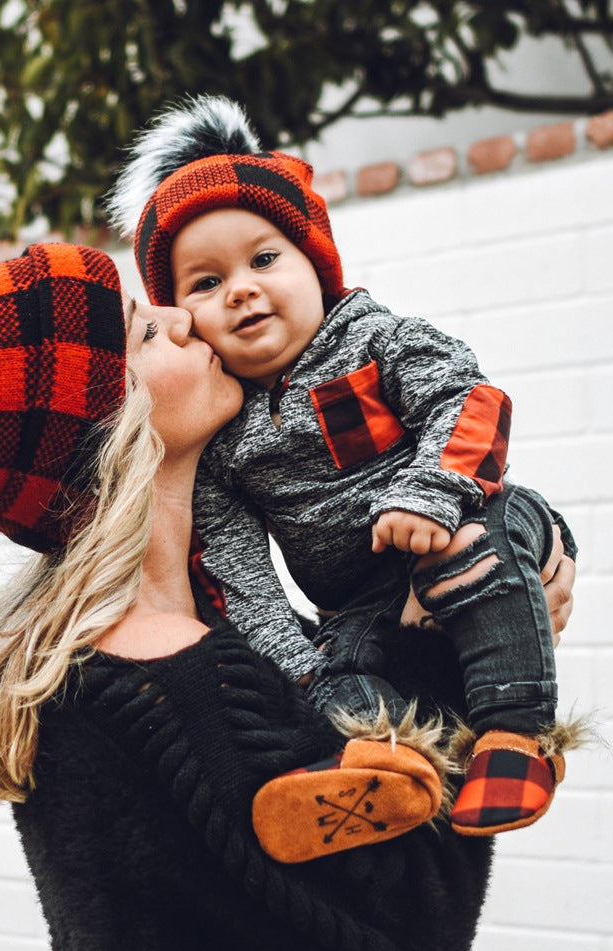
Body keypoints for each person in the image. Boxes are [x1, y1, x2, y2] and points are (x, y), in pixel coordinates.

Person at [0, 242, 574, 951]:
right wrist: (448, 647)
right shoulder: (176, 679)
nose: (185, 317)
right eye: (146, 330)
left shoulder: (97, 663)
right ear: (109, 427)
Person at [106, 94, 586, 844]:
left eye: (265, 259)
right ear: (183, 315)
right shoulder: (225, 436)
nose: (239, 288)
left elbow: (472, 402)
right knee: (336, 666)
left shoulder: (371, 340)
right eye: (204, 283)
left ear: (316, 266)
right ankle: (378, 769)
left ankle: (515, 736)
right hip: (361, 594)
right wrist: (294, 660)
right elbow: (239, 566)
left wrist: (430, 493)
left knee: (471, 560)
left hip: (475, 511)